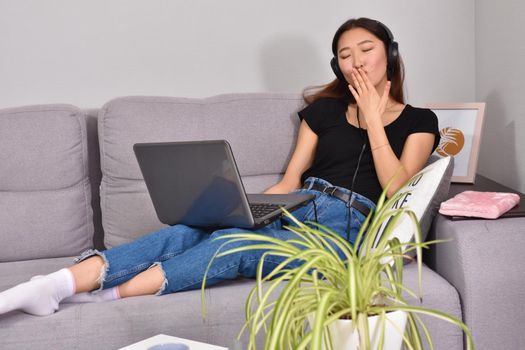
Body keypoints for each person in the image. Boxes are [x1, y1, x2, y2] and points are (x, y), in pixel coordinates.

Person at [0, 17, 440, 317]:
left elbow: (397, 188)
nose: (356, 61)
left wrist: (373, 115)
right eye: (345, 55)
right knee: (188, 232)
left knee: (231, 246)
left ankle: (104, 298)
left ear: (391, 55)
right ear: (336, 65)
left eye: (366, 49)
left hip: (346, 229)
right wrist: (248, 206)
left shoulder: (420, 121)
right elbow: (291, 178)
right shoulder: (323, 113)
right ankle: (54, 284)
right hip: (301, 203)